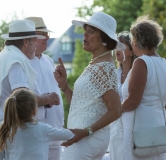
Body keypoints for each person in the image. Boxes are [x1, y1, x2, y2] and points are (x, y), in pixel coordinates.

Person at [53, 12, 124, 160]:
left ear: (104, 39)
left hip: (86, 139)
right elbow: (82, 106)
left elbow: (116, 110)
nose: (84, 35)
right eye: (85, 31)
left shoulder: (103, 68)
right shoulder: (97, 64)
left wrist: (85, 132)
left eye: (91, 32)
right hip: (88, 138)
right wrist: (65, 86)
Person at [0, 19, 60, 140]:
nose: (36, 45)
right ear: (26, 42)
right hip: (17, 133)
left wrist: (43, 102)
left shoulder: (6, 56)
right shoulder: (16, 61)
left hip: (10, 130)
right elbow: (22, 97)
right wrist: (48, 98)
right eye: (34, 40)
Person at [121, 15, 166, 160]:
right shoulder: (165, 64)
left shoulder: (141, 63)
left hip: (138, 131)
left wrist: (114, 110)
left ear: (137, 41)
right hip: (160, 128)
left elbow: (133, 101)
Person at [0, 89, 74, 160]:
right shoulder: (43, 129)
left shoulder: (6, 131)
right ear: (34, 110)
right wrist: (85, 131)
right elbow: (70, 134)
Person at [25, 17, 64, 160]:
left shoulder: (48, 60)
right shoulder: (24, 62)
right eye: (43, 34)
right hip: (37, 135)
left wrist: (63, 82)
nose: (48, 37)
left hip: (56, 133)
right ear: (30, 37)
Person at [109, 31, 136, 160]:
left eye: (121, 46)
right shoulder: (112, 75)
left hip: (134, 128)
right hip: (115, 130)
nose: (117, 49)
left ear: (132, 51)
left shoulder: (138, 74)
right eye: (116, 46)